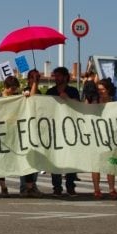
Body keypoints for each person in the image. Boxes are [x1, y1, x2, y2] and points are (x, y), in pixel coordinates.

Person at [45, 66, 79, 197]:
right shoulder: (50, 92)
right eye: (55, 76)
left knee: (71, 158)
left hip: (70, 128)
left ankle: (70, 186)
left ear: (65, 77)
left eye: (58, 75)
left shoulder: (72, 91)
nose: (56, 78)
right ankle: (57, 187)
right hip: (55, 129)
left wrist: (68, 99)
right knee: (56, 159)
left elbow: (79, 105)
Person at [90, 78, 117, 200]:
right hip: (96, 137)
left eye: (102, 89)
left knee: (110, 164)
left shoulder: (114, 103)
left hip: (110, 137)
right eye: (99, 89)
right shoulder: (94, 103)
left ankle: (112, 188)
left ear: (108, 90)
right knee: (96, 164)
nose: (100, 91)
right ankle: (96, 189)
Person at [19, 70, 44, 197]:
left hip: (36, 131)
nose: (36, 80)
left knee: (36, 160)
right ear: (28, 79)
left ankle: (33, 185)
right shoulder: (25, 90)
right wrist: (33, 83)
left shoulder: (40, 93)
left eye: (37, 78)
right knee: (26, 159)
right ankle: (24, 187)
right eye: (33, 78)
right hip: (25, 131)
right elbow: (32, 99)